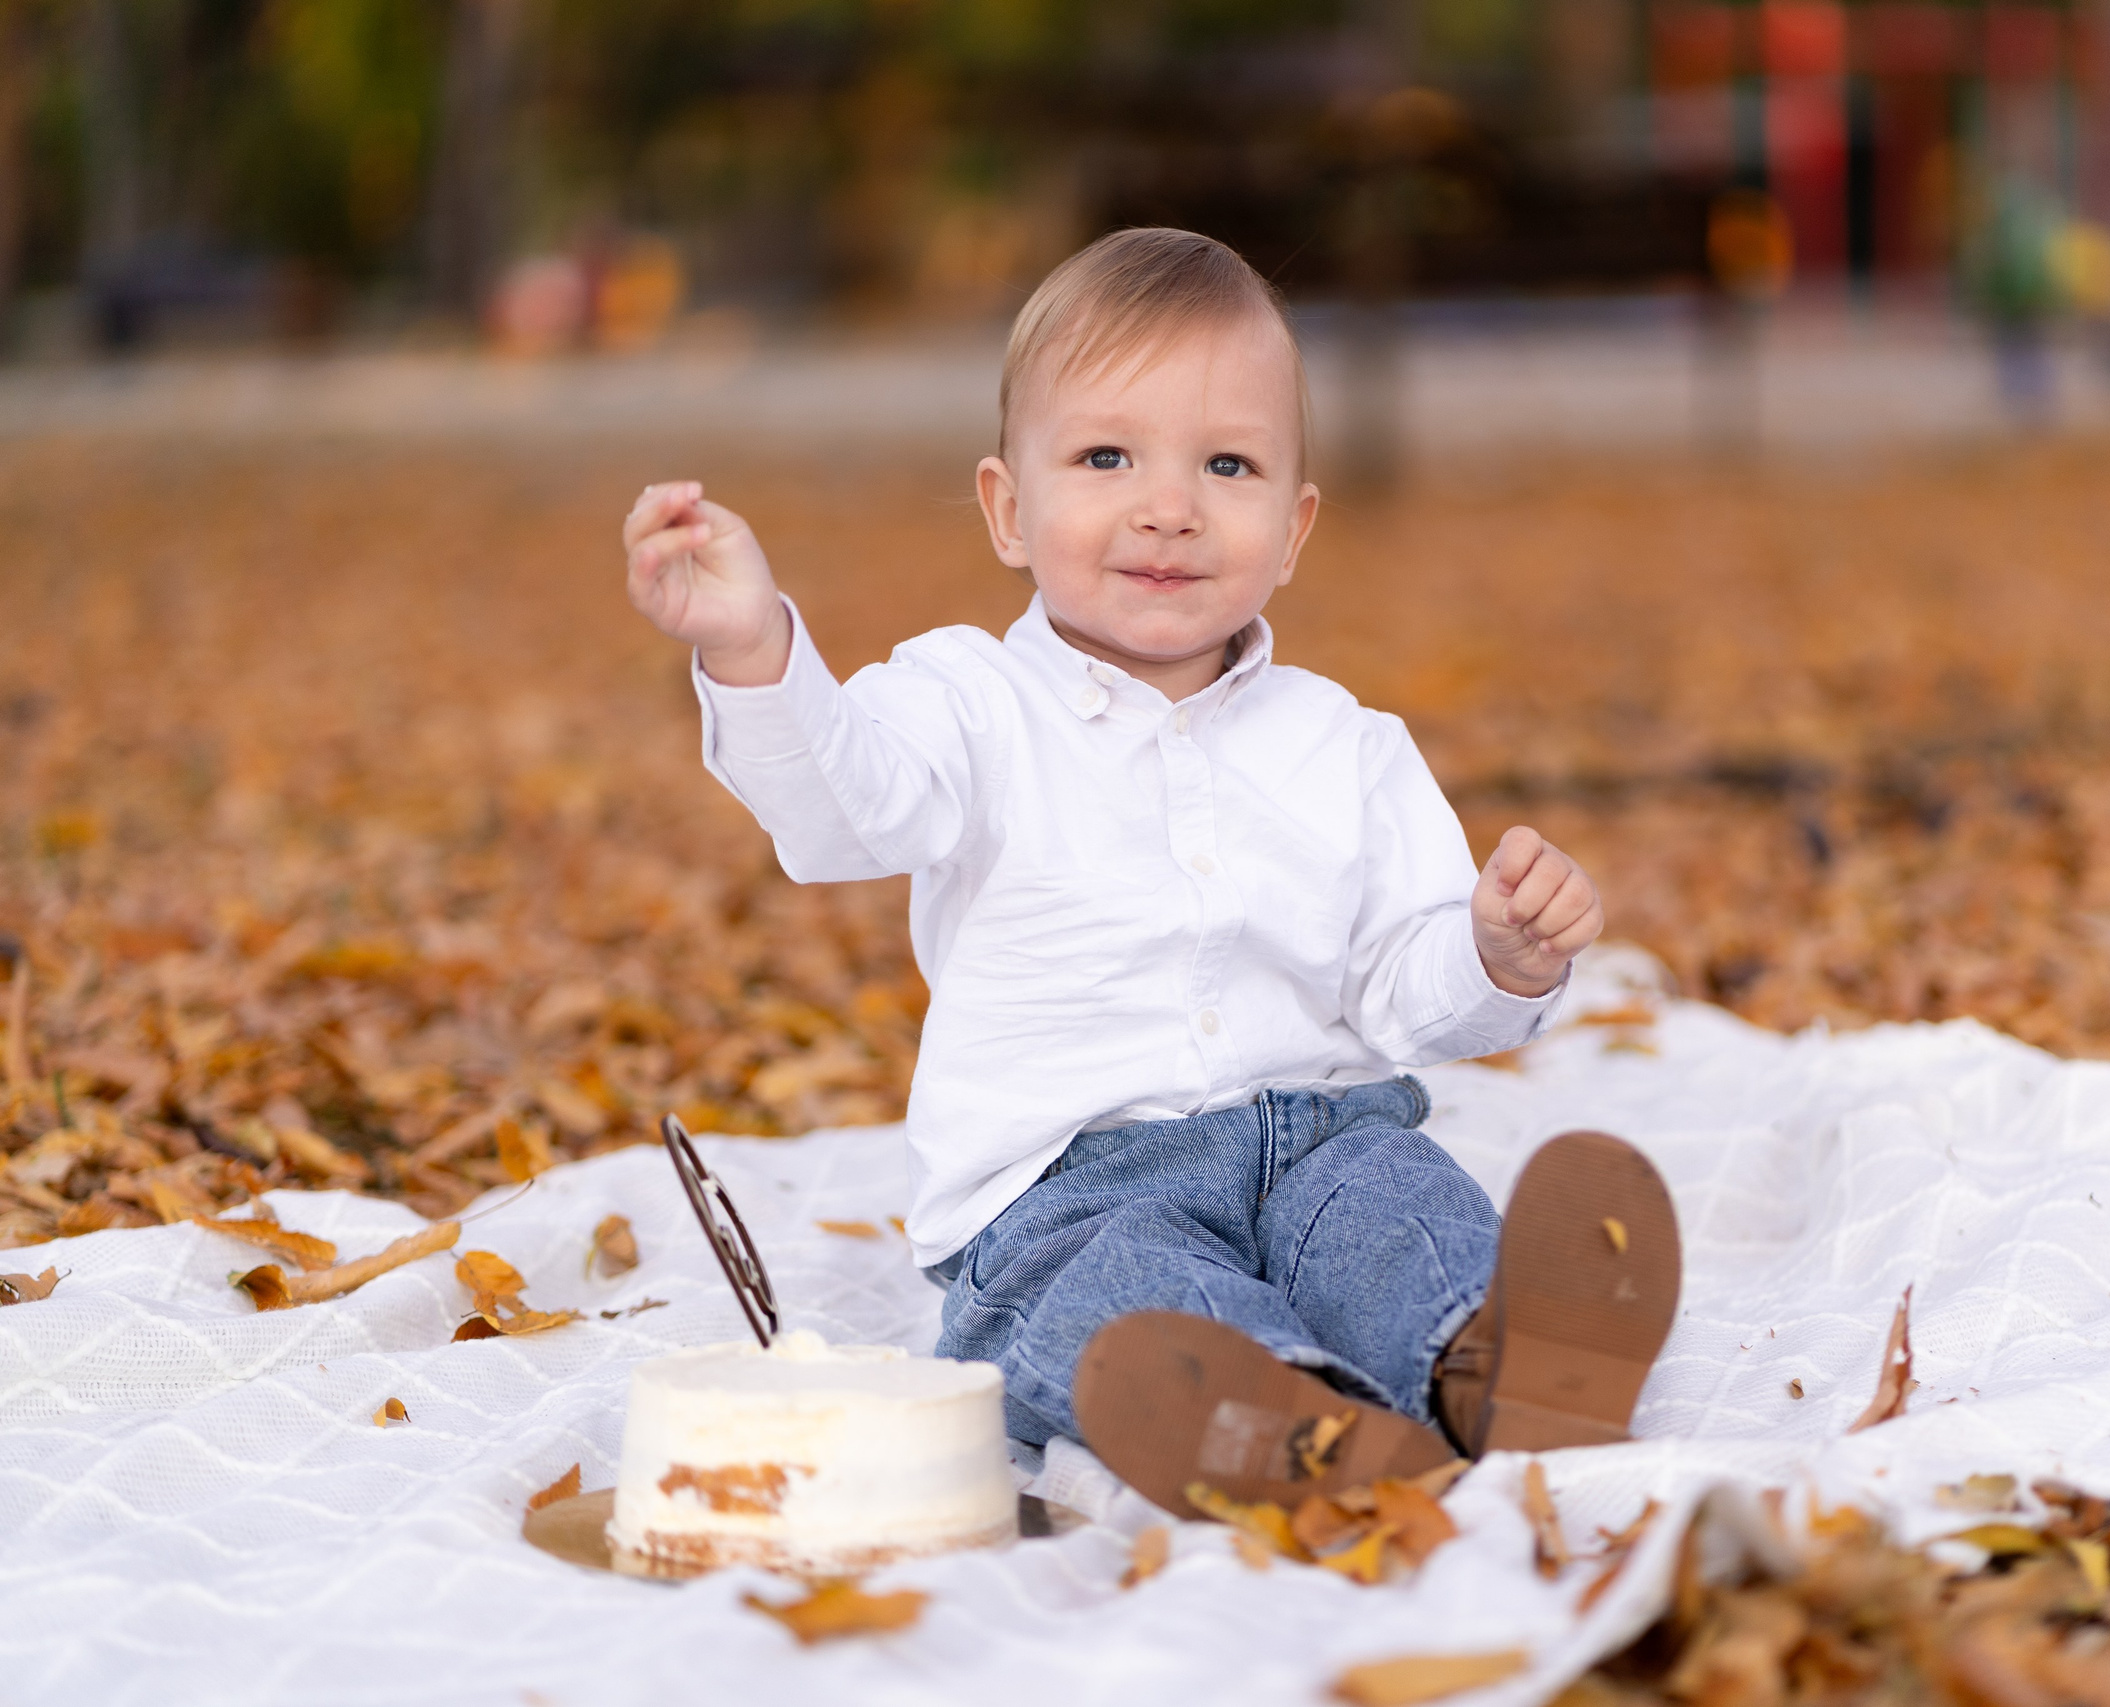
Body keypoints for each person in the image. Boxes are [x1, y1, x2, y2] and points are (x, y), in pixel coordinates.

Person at [621, 228, 1679, 1510]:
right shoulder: (967, 700)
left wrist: (1494, 955)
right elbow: (844, 809)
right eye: (1106, 458)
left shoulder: (1345, 744)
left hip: (1317, 1139)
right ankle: (1286, 1419)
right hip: (1064, 1186)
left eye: (1226, 464)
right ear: (1008, 509)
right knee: (1116, 1299)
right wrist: (751, 649)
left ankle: (1492, 1363)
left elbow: (1406, 995)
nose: (1168, 506)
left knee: (1396, 1203)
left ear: (1291, 530)